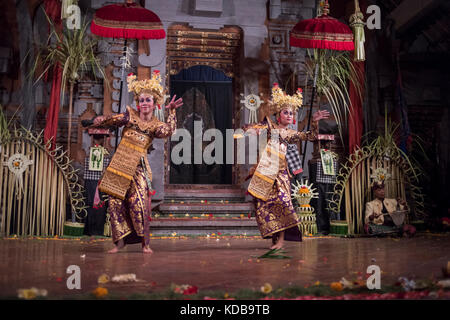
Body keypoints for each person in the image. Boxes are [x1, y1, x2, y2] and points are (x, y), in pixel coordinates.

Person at [90, 71, 183, 253]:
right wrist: (97, 121)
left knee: (138, 203)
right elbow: (111, 120)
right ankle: (119, 243)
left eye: (148, 100)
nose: (144, 104)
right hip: (119, 165)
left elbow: (169, 131)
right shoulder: (129, 116)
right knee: (115, 204)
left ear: (155, 103)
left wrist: (171, 112)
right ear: (138, 104)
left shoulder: (156, 125)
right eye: (141, 100)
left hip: (138, 167)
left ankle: (144, 243)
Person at [236, 84, 330, 249]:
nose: (289, 115)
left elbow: (311, 136)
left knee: (284, 203)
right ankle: (274, 235)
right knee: (264, 205)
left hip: (281, 175)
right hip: (265, 172)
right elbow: (251, 128)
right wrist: (247, 131)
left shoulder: (291, 134)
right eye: (285, 112)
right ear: (278, 114)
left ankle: (280, 239)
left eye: (291, 113)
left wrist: (314, 122)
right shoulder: (268, 127)